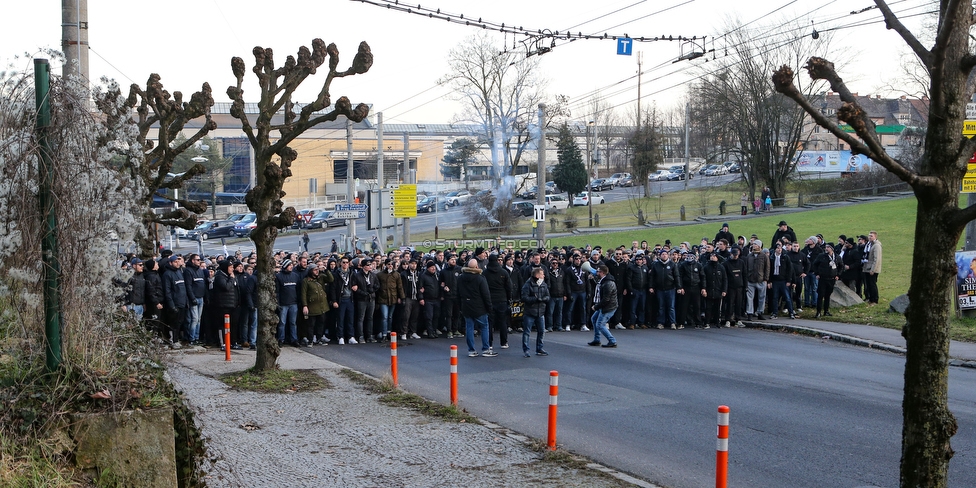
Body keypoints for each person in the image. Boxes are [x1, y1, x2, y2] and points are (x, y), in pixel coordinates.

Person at [458, 258, 495, 357]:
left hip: (466, 305)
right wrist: (489, 307)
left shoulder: (461, 278)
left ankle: (471, 350)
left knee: (469, 327)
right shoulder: (480, 278)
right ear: (476, 267)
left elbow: (458, 293)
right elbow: (486, 294)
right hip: (479, 306)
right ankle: (486, 349)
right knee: (484, 327)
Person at [301, 261, 334, 345]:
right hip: (312, 306)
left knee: (321, 323)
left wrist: (326, 269)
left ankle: (319, 338)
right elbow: (303, 294)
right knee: (311, 324)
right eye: (315, 270)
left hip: (322, 305)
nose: (317, 271)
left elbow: (331, 279)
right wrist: (305, 305)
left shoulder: (321, 277)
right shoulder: (306, 281)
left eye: (317, 269)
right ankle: (310, 340)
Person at [483, 253, 512, 348]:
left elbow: (483, 287)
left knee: (489, 323)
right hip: (502, 299)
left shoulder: (485, 273)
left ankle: (489, 343)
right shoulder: (503, 272)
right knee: (503, 322)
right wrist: (508, 299)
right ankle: (504, 342)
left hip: (490, 300)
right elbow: (509, 287)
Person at [520, 267, 550, 357]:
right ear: (537, 275)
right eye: (542, 274)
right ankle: (526, 350)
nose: (543, 275)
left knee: (541, 331)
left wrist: (542, 299)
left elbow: (548, 296)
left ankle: (539, 348)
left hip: (540, 311)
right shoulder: (527, 284)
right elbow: (524, 298)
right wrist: (535, 299)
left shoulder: (543, 284)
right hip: (530, 312)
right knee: (527, 332)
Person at [586, 265, 618, 347]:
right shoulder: (603, 280)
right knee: (594, 319)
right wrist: (591, 280)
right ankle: (597, 340)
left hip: (608, 307)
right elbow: (597, 288)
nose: (596, 272)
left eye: (598, 271)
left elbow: (606, 299)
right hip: (604, 306)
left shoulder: (608, 283)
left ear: (602, 272)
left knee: (600, 324)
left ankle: (612, 340)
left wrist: (596, 307)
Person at [211, 260, 241, 350]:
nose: (232, 269)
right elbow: (226, 287)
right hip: (223, 305)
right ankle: (223, 343)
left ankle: (233, 342)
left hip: (233, 305)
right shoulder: (220, 277)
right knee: (222, 325)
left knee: (233, 324)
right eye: (230, 267)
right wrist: (231, 279)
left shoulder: (231, 276)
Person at [649, 249, 682, 329]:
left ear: (668, 255)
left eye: (666, 254)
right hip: (660, 289)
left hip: (670, 288)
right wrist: (651, 287)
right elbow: (652, 277)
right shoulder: (656, 265)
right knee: (661, 307)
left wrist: (679, 287)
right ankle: (661, 323)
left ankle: (672, 323)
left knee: (671, 307)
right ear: (660, 256)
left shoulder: (672, 264)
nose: (664, 255)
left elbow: (677, 276)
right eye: (663, 254)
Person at [275, 259, 302, 347]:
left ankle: (294, 339)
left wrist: (298, 301)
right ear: (285, 266)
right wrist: (278, 303)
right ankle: (281, 339)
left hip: (293, 303)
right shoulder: (279, 276)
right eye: (289, 265)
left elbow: (298, 290)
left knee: (293, 323)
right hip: (283, 304)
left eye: (292, 265)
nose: (291, 266)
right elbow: (277, 292)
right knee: (282, 323)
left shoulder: (295, 276)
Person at [375, 258, 404, 341]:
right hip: (383, 298)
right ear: (385, 265)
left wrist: (401, 297)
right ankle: (384, 334)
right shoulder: (380, 275)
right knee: (384, 316)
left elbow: (400, 287)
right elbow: (377, 287)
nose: (390, 266)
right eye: (388, 264)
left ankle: (389, 332)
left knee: (390, 317)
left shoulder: (396, 274)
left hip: (393, 298)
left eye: (391, 264)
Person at [812, 243, 844, 317]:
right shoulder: (821, 256)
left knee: (828, 295)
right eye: (826, 247)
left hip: (831, 279)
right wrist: (817, 273)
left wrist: (838, 275)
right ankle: (818, 312)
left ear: (832, 248)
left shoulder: (837, 257)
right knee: (820, 295)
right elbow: (814, 264)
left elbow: (841, 266)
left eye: (828, 247)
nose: (826, 248)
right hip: (823, 279)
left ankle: (826, 311)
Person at [352, 258, 379, 343]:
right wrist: (363, 293)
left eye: (370, 264)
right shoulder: (357, 275)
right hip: (361, 299)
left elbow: (377, 285)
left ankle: (369, 335)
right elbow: (355, 288)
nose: (370, 266)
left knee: (370, 318)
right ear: (363, 266)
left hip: (371, 298)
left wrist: (372, 290)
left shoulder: (373, 275)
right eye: (368, 265)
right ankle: (360, 335)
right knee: (361, 318)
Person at [767, 243, 795, 319]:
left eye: (780, 249)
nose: (779, 250)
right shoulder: (772, 258)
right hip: (775, 280)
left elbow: (790, 269)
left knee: (787, 297)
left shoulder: (785, 257)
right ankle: (775, 313)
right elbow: (769, 270)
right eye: (778, 248)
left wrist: (789, 280)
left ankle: (791, 312)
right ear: (775, 249)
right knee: (775, 297)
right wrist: (769, 281)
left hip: (783, 280)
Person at [744, 241, 769, 320]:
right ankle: (749, 313)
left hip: (761, 280)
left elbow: (767, 268)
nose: (753, 245)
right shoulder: (749, 256)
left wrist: (766, 279)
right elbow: (746, 267)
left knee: (762, 297)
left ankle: (760, 312)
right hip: (750, 280)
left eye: (755, 244)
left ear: (759, 246)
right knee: (749, 298)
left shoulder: (764, 256)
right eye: (753, 244)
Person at [702, 252, 727, 328]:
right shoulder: (706, 267)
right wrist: (704, 289)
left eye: (714, 256)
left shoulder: (721, 267)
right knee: (708, 308)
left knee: (717, 308)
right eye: (711, 256)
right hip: (709, 290)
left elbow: (724, 279)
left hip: (718, 290)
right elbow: (704, 279)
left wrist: (724, 290)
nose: (712, 257)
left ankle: (717, 322)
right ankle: (707, 322)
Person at [863, 231, 883, 305]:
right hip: (867, 268)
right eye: (869, 236)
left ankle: (875, 300)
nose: (869, 237)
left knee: (872, 284)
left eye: (871, 236)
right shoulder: (869, 244)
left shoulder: (876, 246)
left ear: (875, 237)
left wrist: (873, 269)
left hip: (872, 269)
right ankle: (871, 299)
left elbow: (876, 259)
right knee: (868, 284)